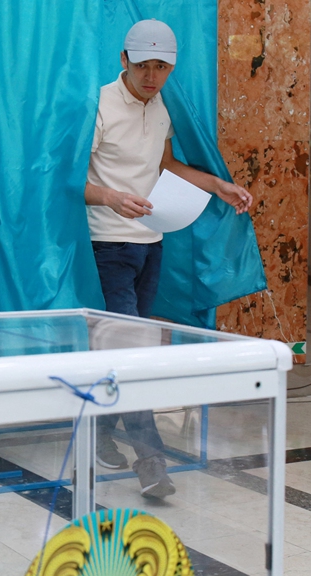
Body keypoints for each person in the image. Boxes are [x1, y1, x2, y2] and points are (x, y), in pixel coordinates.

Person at [84, 19, 253, 498]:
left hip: (151, 244)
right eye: (143, 66)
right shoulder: (98, 104)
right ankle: (151, 461)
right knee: (132, 352)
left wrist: (217, 185)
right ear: (124, 60)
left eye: (161, 67)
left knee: (124, 350)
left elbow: (165, 164)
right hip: (108, 245)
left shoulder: (160, 107)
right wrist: (111, 197)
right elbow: (69, 179)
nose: (152, 76)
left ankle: (99, 431)